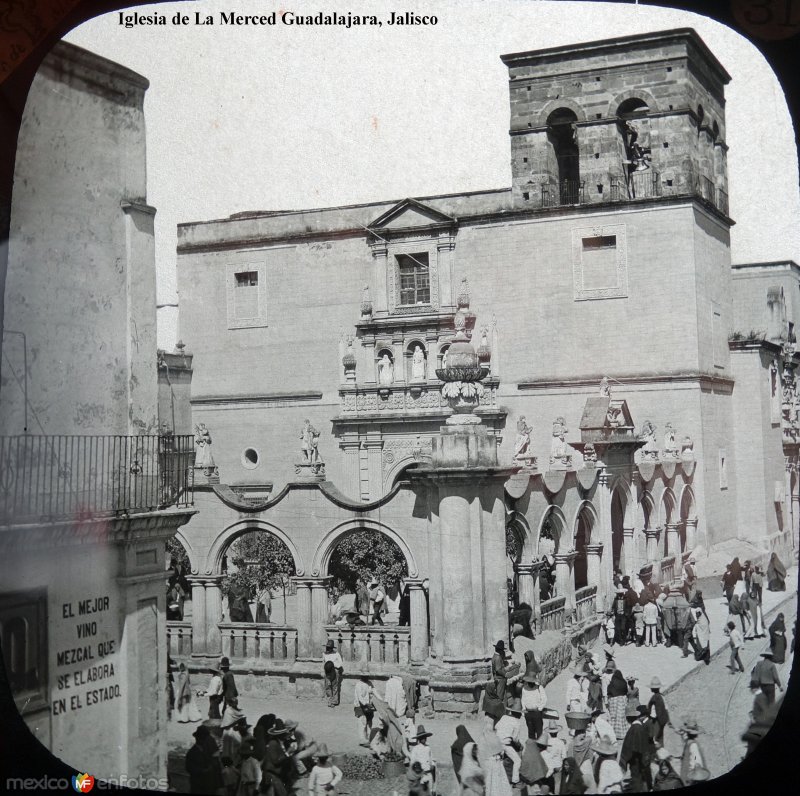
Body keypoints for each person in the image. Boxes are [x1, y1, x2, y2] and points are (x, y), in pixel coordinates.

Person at [619, 704, 654, 792]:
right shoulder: (639, 727)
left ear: (627, 719)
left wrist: (626, 760)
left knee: (637, 782)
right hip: (641, 761)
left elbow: (630, 748)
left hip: (636, 762)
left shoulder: (634, 729)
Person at [186, 724, 223, 795]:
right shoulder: (192, 752)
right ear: (197, 738)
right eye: (202, 737)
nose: (204, 739)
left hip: (209, 786)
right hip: (198, 786)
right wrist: (203, 771)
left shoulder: (207, 751)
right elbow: (189, 768)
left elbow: (216, 767)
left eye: (205, 737)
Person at [494, 698, 523, 786]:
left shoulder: (504, 717)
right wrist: (519, 745)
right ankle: (515, 780)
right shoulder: (517, 723)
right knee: (518, 760)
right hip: (505, 744)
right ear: (518, 713)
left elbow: (496, 727)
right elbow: (515, 739)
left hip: (497, 741)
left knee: (498, 760)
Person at [408, 725, 436, 794]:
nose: (424, 739)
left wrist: (432, 764)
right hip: (421, 775)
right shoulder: (415, 749)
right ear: (419, 739)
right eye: (422, 737)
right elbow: (412, 763)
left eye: (425, 737)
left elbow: (431, 758)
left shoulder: (428, 748)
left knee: (430, 790)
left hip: (429, 773)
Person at [678, 718, 706, 784]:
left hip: (692, 774)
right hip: (691, 773)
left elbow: (696, 760)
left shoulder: (691, 744)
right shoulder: (691, 744)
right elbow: (696, 759)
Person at [520, 673, 547, 740]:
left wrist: (540, 708)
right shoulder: (524, 688)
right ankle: (532, 747)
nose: (530, 683)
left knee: (539, 731)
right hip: (528, 713)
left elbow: (544, 698)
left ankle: (539, 747)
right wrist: (523, 709)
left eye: (532, 682)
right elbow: (523, 699)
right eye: (529, 682)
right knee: (530, 731)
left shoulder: (539, 687)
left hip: (537, 713)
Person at [606, 670, 629, 740]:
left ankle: (613, 733)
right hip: (622, 700)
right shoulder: (624, 682)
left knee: (613, 718)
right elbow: (626, 691)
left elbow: (609, 692)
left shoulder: (612, 683)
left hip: (613, 701)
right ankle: (622, 734)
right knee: (621, 717)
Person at [647, 677, 670, 746]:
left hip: (656, 720)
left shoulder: (654, 698)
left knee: (655, 739)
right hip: (663, 720)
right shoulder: (662, 696)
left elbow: (653, 713)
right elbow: (666, 709)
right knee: (660, 738)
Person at [354, 675, 374, 746]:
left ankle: (368, 738)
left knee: (369, 722)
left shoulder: (369, 683)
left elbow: (372, 693)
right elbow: (360, 697)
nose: (366, 677)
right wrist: (366, 704)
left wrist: (374, 701)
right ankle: (362, 739)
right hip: (360, 706)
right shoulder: (358, 685)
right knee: (362, 722)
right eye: (365, 676)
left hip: (369, 706)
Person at [323, 640, 344, 708]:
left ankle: (335, 701)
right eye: (327, 647)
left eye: (329, 648)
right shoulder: (324, 654)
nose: (327, 649)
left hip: (335, 671)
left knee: (335, 687)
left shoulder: (336, 654)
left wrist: (332, 664)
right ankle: (330, 701)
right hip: (327, 671)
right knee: (328, 686)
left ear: (332, 648)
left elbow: (340, 664)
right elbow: (323, 663)